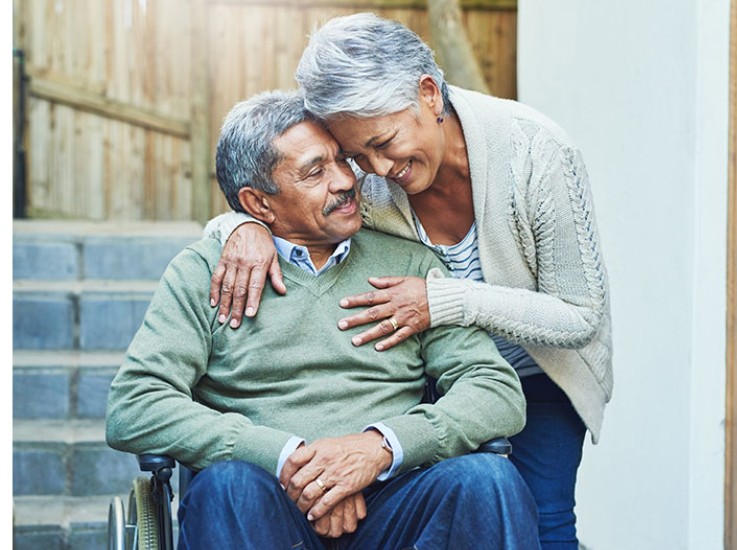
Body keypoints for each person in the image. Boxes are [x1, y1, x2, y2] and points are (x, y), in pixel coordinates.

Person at [204, 13, 613, 550]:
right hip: (421, 371)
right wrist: (244, 224)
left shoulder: (535, 153)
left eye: (384, 141)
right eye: (356, 154)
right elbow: (288, 205)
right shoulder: (368, 182)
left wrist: (443, 300)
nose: (375, 168)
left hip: (538, 373)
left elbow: (580, 315)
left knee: (542, 524)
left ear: (428, 94)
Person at [105, 89, 541, 550]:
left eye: (341, 161)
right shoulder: (203, 274)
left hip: (395, 500)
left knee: (488, 479)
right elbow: (135, 405)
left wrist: (380, 448)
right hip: (263, 503)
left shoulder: (411, 264)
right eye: (315, 171)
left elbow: (495, 391)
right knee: (227, 486)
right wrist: (287, 459)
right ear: (258, 205)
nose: (344, 181)